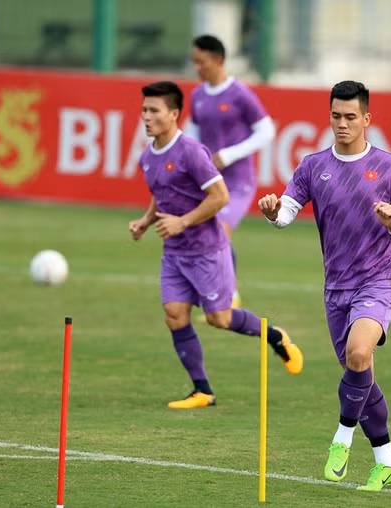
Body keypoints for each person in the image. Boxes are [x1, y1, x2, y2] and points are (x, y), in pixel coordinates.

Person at [258, 80, 391, 491]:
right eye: (336, 116)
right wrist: (272, 212)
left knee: (358, 352)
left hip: (378, 281)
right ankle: (387, 462)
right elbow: (286, 213)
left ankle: (341, 439)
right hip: (336, 290)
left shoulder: (387, 165)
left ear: (367, 119)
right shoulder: (314, 166)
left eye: (351, 117)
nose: (342, 124)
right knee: (360, 373)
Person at [129, 81, 302, 409]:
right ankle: (202, 390)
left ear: (174, 114)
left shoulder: (192, 152)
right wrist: (145, 221)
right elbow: (161, 192)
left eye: (154, 110)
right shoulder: (148, 157)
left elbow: (220, 196)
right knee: (174, 315)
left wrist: (182, 222)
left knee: (219, 319)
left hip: (207, 250)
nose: (146, 117)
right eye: (144, 110)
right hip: (175, 254)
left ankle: (275, 336)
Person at [189, 34, 276, 308]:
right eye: (195, 62)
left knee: (220, 231)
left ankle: (227, 297)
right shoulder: (197, 95)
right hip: (210, 182)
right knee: (208, 234)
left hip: (238, 183)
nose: (197, 68)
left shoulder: (239, 94)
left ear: (218, 61)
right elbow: (192, 136)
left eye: (201, 62)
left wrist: (229, 154)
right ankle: (226, 291)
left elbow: (267, 131)